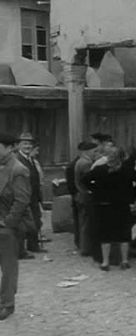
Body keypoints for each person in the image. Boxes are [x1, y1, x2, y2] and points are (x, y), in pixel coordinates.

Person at [83, 147, 136, 271]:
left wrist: (96, 190)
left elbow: (84, 180)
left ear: (107, 157)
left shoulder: (99, 170)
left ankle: (105, 262)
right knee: (124, 234)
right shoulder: (127, 170)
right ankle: (124, 260)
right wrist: (132, 193)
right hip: (122, 205)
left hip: (104, 205)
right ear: (122, 157)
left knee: (105, 234)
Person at [0, 132, 34, 320]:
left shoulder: (18, 169)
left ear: (9, 147)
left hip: (8, 227)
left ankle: (7, 304)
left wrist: (8, 222)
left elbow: (22, 200)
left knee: (8, 267)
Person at [16, 132, 45, 256]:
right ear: (18, 146)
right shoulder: (17, 160)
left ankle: (33, 246)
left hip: (33, 197)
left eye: (29, 144)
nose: (27, 146)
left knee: (35, 221)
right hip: (22, 197)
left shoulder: (31, 160)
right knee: (22, 225)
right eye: (24, 143)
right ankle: (20, 251)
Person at [74, 141, 99, 258]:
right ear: (88, 151)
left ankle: (83, 246)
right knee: (87, 223)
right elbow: (89, 180)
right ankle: (86, 248)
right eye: (94, 151)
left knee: (83, 222)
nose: (96, 154)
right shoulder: (86, 163)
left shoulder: (80, 161)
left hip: (80, 195)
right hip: (86, 195)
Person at [65, 143, 82, 248]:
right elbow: (71, 183)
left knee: (78, 220)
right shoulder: (73, 165)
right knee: (79, 220)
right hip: (77, 194)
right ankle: (79, 241)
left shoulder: (74, 164)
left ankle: (79, 241)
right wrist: (74, 194)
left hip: (76, 194)